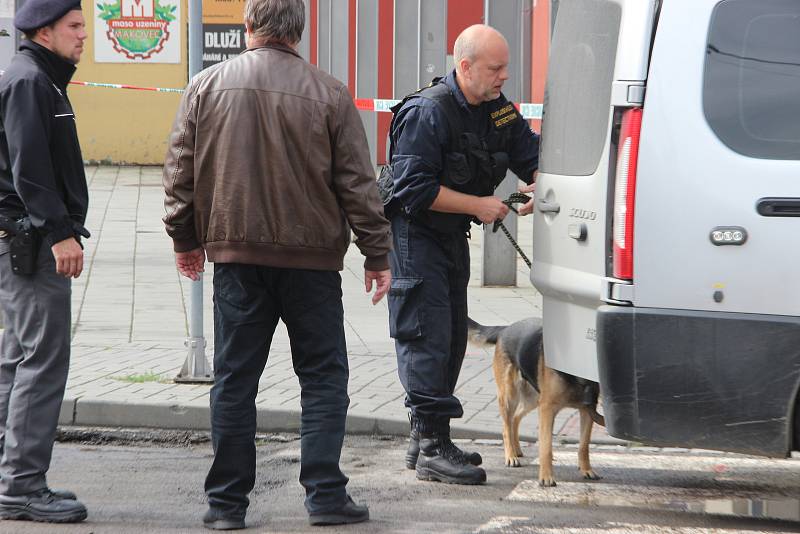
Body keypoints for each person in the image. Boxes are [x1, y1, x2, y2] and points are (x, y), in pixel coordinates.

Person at [162, 0, 392, 529]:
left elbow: (180, 173)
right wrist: (376, 253)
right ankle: (326, 496)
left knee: (236, 380)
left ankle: (226, 505)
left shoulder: (206, 86)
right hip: (312, 263)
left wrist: (185, 239)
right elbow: (357, 183)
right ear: (299, 32)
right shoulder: (330, 92)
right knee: (324, 375)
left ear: (249, 28)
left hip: (237, 260)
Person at [385, 24, 539, 485]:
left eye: (506, 68)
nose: (503, 77)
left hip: (451, 237)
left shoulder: (496, 110)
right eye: (495, 69)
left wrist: (537, 183)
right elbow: (413, 189)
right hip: (416, 236)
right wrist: (480, 205)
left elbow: (528, 152)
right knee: (426, 336)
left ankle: (427, 440)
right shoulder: (428, 113)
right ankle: (433, 446)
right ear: (465, 66)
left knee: (452, 337)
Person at [0, 0, 90, 524]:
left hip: (25, 240)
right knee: (41, 362)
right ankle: (22, 486)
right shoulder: (31, 81)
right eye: (75, 27)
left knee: (19, 358)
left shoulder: (39, 77)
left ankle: (13, 474)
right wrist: (60, 235)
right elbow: (30, 168)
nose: (83, 37)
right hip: (32, 243)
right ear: (43, 31)